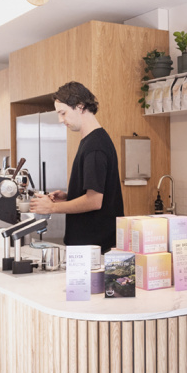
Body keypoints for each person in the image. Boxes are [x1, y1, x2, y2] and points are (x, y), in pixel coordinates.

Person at [29, 81, 124, 252]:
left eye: (63, 113)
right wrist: (69, 196)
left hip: (95, 246)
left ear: (80, 107)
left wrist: (52, 207)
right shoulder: (92, 141)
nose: (61, 120)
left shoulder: (95, 147)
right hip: (90, 244)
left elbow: (94, 201)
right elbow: (97, 192)